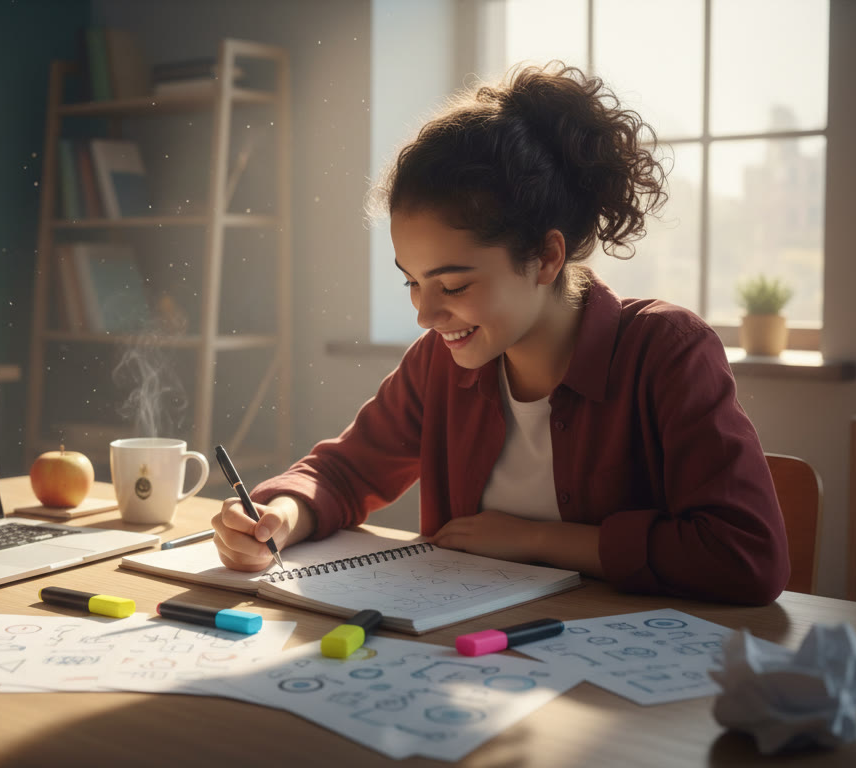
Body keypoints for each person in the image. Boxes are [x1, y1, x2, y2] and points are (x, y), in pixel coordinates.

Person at [212, 62, 789, 605]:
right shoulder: (438, 363)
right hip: (468, 657)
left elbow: (748, 555)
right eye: (412, 282)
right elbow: (344, 473)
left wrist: (537, 541)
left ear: (544, 256)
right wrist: (281, 516)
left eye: (454, 286)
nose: (426, 315)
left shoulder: (666, 351)